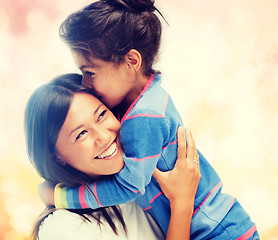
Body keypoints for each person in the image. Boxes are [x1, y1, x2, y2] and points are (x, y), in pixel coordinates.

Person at [41, 0, 259, 239]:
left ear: (131, 62)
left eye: (90, 72)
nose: (85, 83)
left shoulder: (143, 117)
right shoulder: (149, 96)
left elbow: (128, 187)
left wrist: (60, 196)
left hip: (218, 231)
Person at [25, 73, 200, 240]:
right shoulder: (61, 228)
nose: (104, 136)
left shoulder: (142, 173)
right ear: (57, 158)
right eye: (81, 134)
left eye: (101, 115)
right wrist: (182, 202)